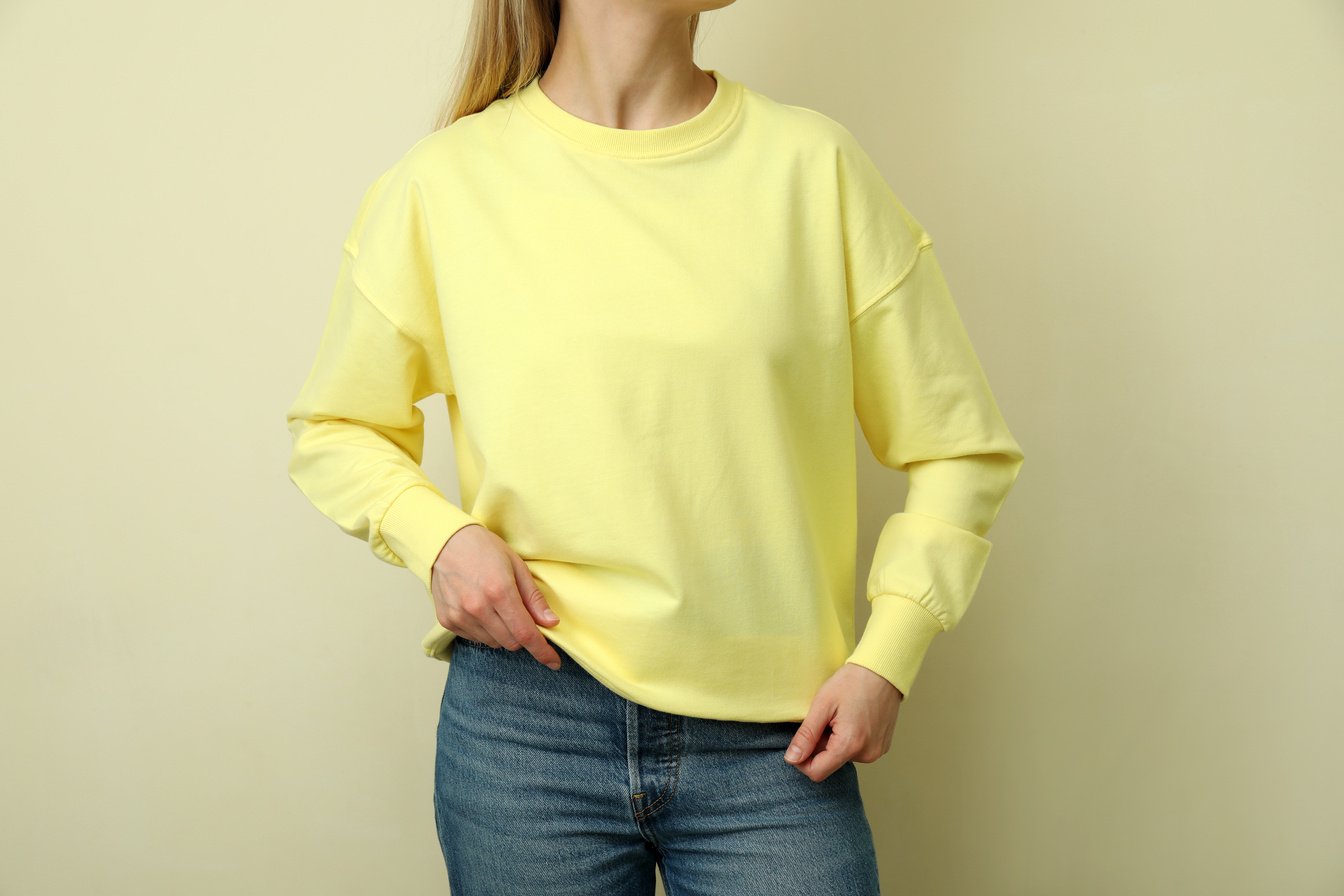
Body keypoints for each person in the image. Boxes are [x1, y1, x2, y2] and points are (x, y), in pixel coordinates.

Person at [284, 1, 1024, 892]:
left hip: (776, 745)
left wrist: (889, 655)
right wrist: (439, 539)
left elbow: (960, 447)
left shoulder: (812, 169)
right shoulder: (443, 185)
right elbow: (335, 424)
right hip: (528, 731)